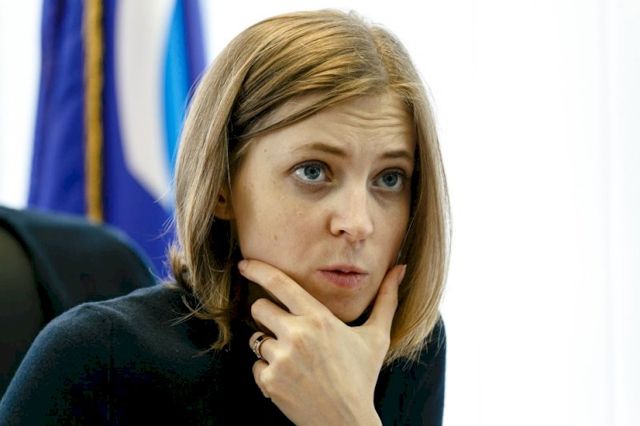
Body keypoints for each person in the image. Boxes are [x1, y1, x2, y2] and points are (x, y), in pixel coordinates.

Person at [0, 9, 450, 425]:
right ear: (221, 187)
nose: (358, 223)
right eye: (313, 172)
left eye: (389, 179)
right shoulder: (94, 357)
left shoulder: (408, 347)